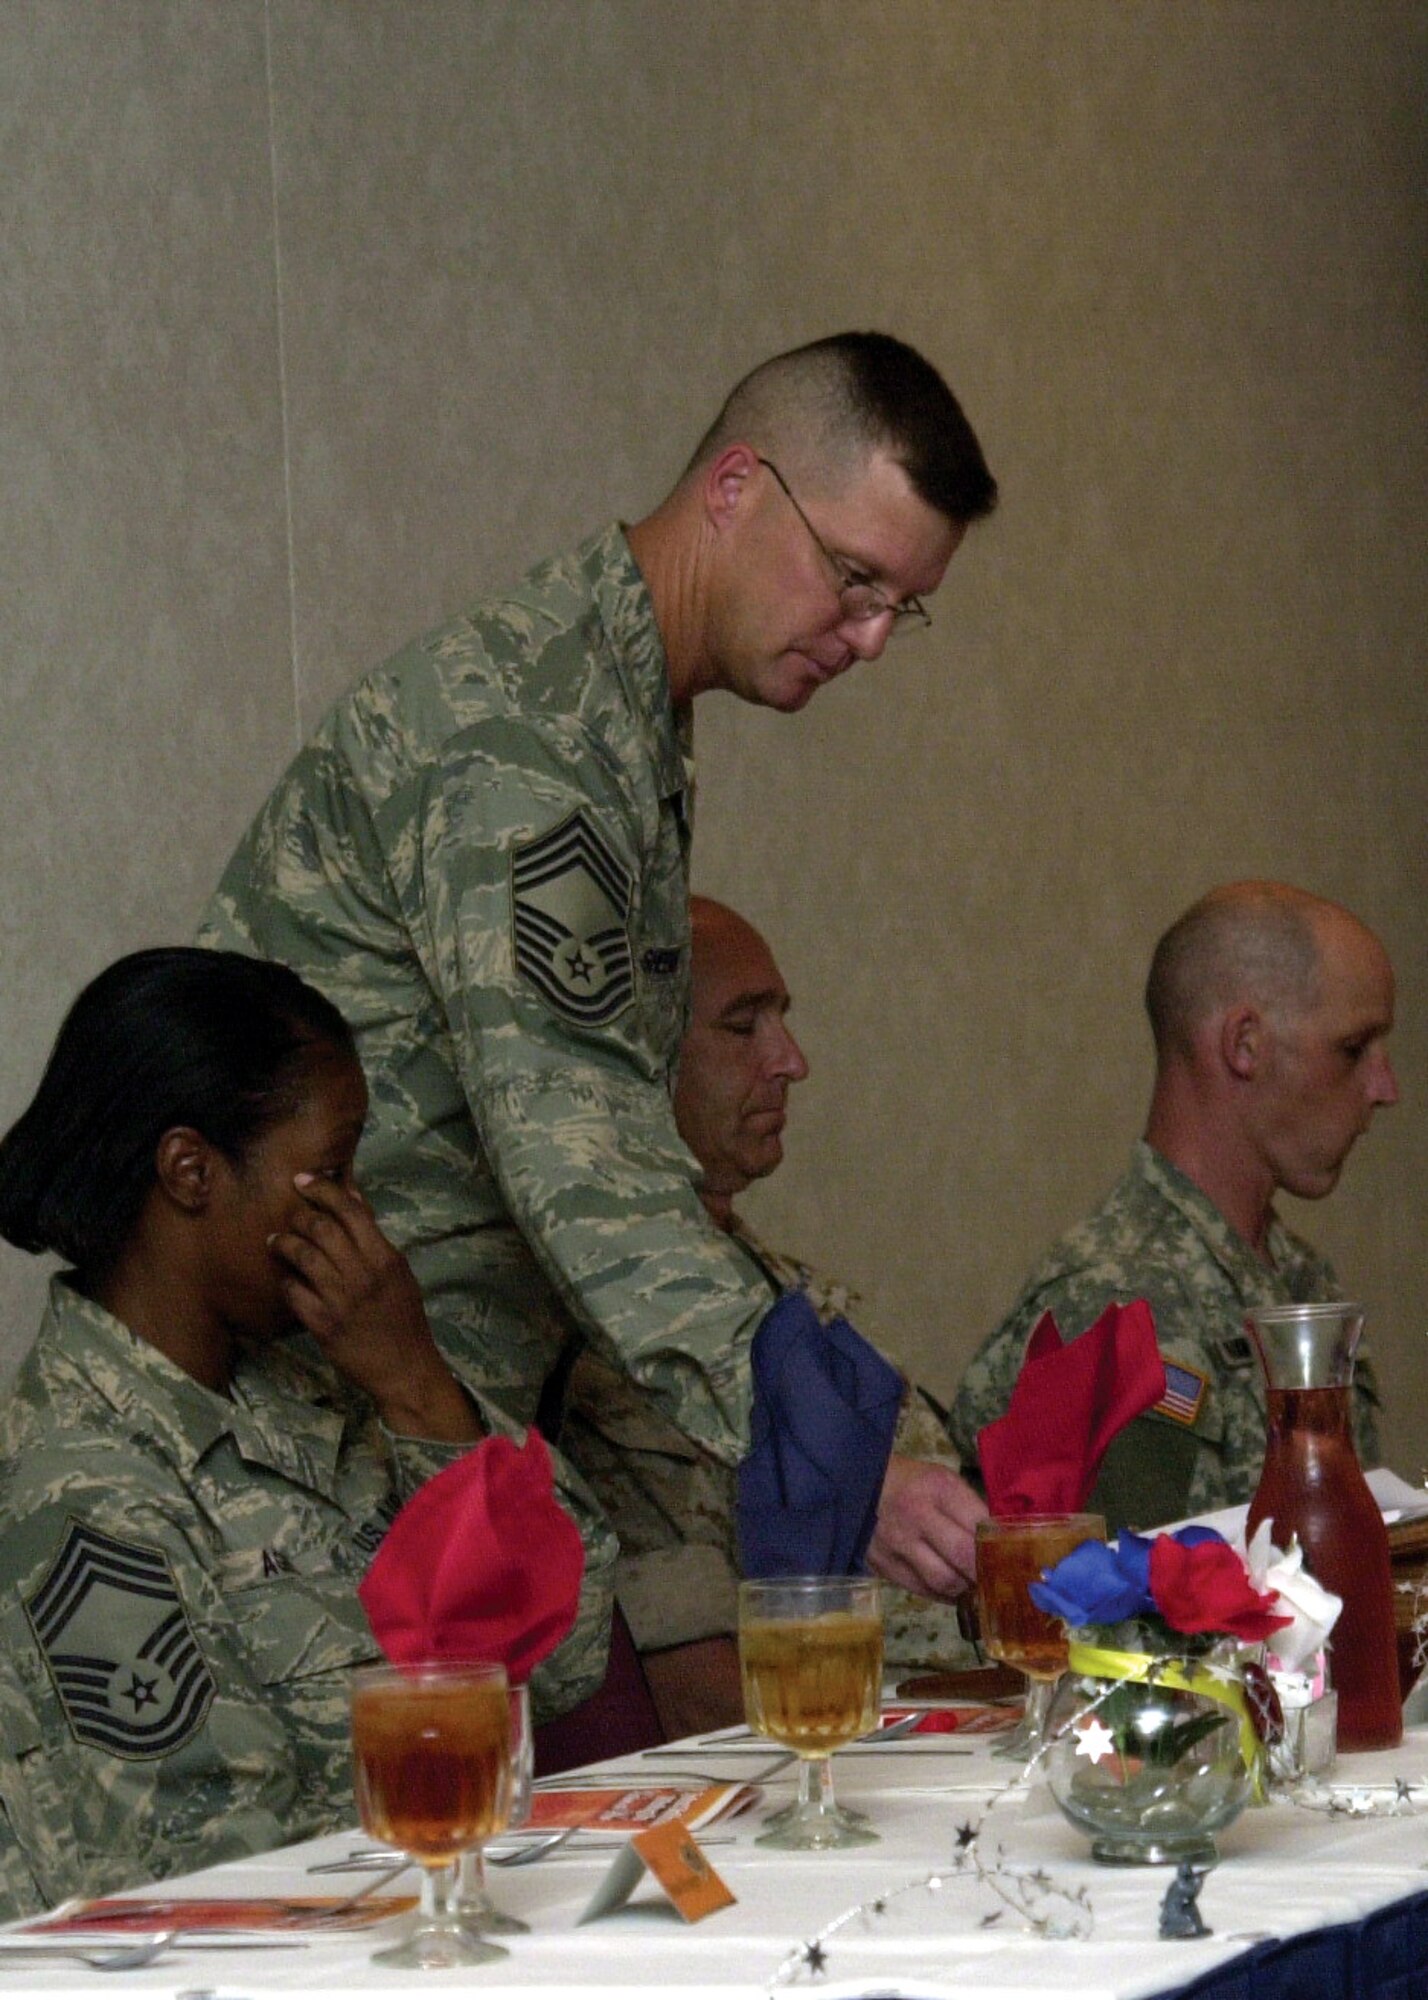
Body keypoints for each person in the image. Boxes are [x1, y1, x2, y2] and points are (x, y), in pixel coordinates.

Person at [199, 332, 998, 1599]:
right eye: (854, 578)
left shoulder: (624, 715)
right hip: (303, 1447)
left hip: (417, 1425)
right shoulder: (531, 732)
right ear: (736, 487)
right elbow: (579, 1155)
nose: (871, 638)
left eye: (902, 604)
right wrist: (833, 1454)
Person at [0, 949, 614, 1912]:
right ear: (191, 1172)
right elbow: (202, 1880)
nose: (358, 1207)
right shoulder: (78, 1487)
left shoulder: (330, 1375)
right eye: (329, 1171)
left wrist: (420, 1392)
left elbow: (571, 1654)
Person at [559, 897, 980, 1736]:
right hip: (843, 1773)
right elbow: (702, 1698)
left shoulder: (783, 1296)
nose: (792, 1062)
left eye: (782, 1021)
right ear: (636, 1063)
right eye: (741, 1027)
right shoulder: (627, 1344)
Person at [949, 882, 1395, 1531]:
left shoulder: (1298, 1277)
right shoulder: (1117, 1299)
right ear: (1245, 1044)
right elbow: (1114, 1610)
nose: (1386, 1087)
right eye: (1353, 1049)